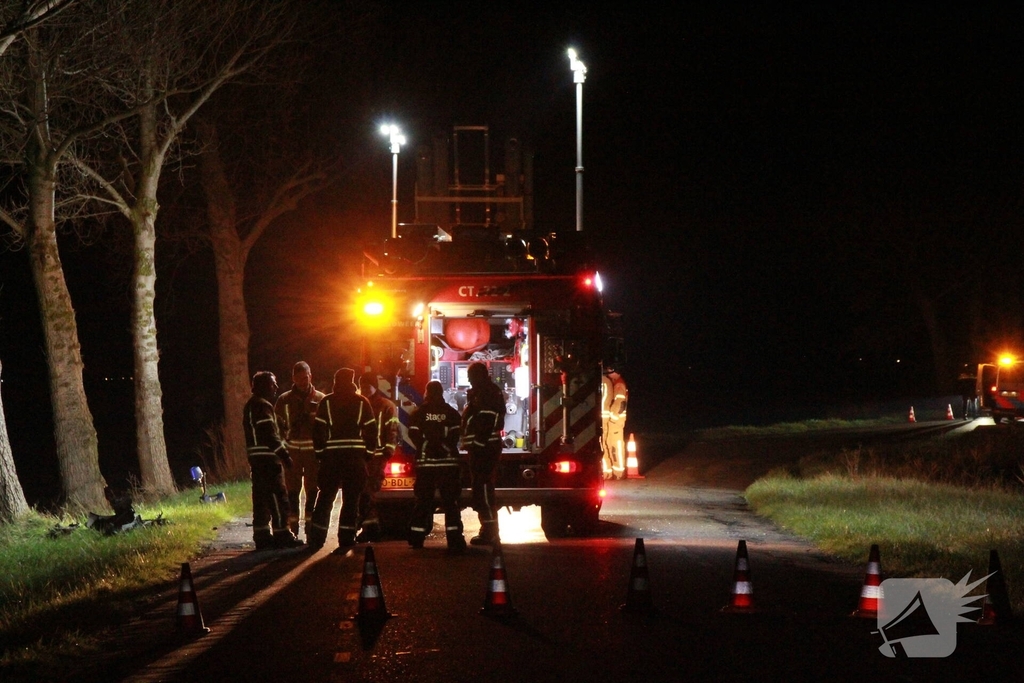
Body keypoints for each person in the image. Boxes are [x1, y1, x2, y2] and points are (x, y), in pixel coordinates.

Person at [307, 368, 378, 552]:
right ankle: (346, 539)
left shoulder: (327, 402)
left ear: (336, 380)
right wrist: (369, 452)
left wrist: (321, 453)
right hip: (355, 459)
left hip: (331, 460)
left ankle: (316, 539)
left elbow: (318, 431)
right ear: (352, 381)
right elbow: (371, 429)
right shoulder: (362, 402)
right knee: (351, 500)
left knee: (325, 499)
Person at [242, 371, 303, 549]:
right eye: (272, 384)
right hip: (268, 461)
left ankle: (262, 536)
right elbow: (269, 435)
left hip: (257, 461)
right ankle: (282, 534)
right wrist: (285, 455)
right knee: (278, 498)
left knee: (261, 500)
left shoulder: (252, 405)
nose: (275, 387)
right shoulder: (262, 406)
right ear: (262, 386)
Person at [407, 380, 466, 552]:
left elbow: (414, 435)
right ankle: (455, 541)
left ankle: (416, 538)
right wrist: (443, 447)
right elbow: (456, 436)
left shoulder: (418, 414)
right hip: (448, 465)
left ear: (426, 393)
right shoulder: (452, 413)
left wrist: (427, 447)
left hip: (425, 465)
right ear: (441, 393)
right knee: (451, 504)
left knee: (423, 502)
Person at [274, 361, 326, 540]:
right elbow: (277, 427)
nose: (304, 381)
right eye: (299, 378)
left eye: (306, 377)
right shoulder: (284, 400)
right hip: (292, 453)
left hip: (313, 454)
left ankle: (310, 526)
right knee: (292, 490)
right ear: (293, 378)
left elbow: (325, 428)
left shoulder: (320, 399)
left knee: (313, 489)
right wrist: (282, 449)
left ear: (311, 376)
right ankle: (293, 526)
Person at [461, 361, 505, 545]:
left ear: (478, 376)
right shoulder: (484, 391)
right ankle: (488, 530)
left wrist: (477, 444)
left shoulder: (486, 393)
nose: (470, 381)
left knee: (483, 490)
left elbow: (486, 421)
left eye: (471, 377)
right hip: (482, 449)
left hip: (484, 450)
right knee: (481, 489)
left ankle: (490, 532)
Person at [356, 372, 401, 543]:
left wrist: (388, 451)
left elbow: (393, 430)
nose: (366, 389)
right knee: (362, 493)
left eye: (369, 386)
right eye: (364, 386)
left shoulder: (386, 406)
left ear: (375, 386)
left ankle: (371, 529)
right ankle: (369, 527)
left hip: (377, 456)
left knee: (369, 493)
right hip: (361, 456)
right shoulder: (358, 404)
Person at [601, 368, 629, 479]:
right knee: (612, 445)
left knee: (615, 446)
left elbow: (620, 404)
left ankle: (615, 472)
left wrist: (612, 418)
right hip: (614, 420)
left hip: (615, 421)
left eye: (611, 371)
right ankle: (615, 472)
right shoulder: (615, 383)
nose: (609, 373)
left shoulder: (619, 385)